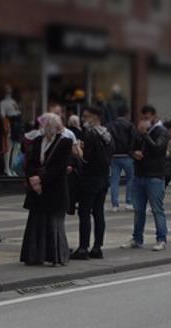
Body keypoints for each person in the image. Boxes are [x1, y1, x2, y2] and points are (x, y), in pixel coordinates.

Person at [20, 113, 72, 266]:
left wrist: (40, 179)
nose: (46, 128)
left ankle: (55, 256)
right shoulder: (37, 141)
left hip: (55, 188)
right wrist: (33, 179)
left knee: (53, 223)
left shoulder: (64, 142)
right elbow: (30, 162)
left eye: (48, 125)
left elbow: (59, 167)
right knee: (36, 221)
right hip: (37, 189)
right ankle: (34, 256)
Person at [121, 105, 169, 252]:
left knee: (157, 209)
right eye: (142, 118)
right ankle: (137, 238)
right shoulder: (139, 132)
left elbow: (157, 149)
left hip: (154, 176)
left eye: (147, 118)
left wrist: (146, 134)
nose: (144, 121)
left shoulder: (162, 132)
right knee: (138, 210)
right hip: (139, 175)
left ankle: (161, 239)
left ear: (154, 117)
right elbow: (129, 148)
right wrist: (133, 153)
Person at [70, 105, 113, 261]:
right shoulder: (107, 134)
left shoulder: (90, 134)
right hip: (103, 178)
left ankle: (83, 248)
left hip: (90, 178)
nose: (83, 119)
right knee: (98, 212)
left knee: (84, 213)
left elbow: (86, 158)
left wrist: (79, 152)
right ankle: (97, 247)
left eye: (86, 116)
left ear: (95, 117)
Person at [107, 105, 137, 212]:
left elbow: (107, 140)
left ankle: (115, 205)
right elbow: (134, 139)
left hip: (114, 156)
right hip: (127, 156)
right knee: (131, 179)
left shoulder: (110, 125)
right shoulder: (129, 125)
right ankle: (129, 202)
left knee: (114, 180)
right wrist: (131, 152)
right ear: (127, 113)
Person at [0, 85, 23, 177]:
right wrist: (6, 126)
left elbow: (18, 112)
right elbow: (2, 115)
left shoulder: (13, 102)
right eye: (7, 90)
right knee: (8, 147)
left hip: (17, 123)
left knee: (17, 146)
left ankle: (13, 168)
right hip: (10, 123)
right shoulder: (3, 103)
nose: (8, 92)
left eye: (9, 90)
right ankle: (7, 168)